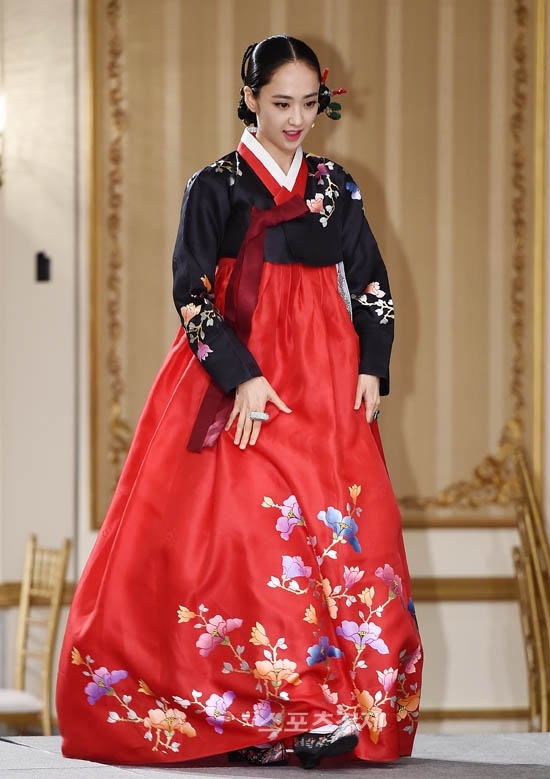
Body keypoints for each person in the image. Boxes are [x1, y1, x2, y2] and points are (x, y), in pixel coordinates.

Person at [56, 34, 422, 769]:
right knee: (253, 542)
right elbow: (191, 294)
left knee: (351, 537)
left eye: (309, 104)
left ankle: (325, 711)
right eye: (281, 103)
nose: (296, 120)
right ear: (250, 98)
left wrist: (373, 365)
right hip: (238, 381)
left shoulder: (336, 186)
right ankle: (282, 711)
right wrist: (241, 375)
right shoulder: (215, 185)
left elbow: (371, 283)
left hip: (325, 383)